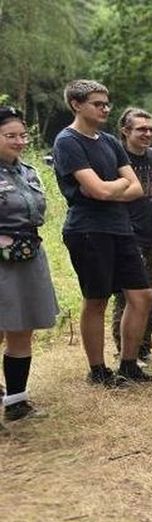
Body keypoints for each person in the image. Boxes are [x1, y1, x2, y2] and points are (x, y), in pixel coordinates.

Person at [53, 79, 152, 385]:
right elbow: (97, 190)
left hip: (120, 228)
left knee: (142, 296)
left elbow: (136, 188)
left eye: (107, 104)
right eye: (98, 104)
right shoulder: (67, 141)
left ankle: (129, 365)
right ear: (76, 105)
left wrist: (111, 188)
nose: (105, 109)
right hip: (87, 230)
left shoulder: (109, 141)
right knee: (97, 299)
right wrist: (114, 186)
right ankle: (97, 371)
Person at [0, 106, 59, 424]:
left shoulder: (29, 172)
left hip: (28, 256)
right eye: (10, 136)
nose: (19, 141)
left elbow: (38, 214)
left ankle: (17, 403)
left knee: (22, 328)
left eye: (23, 135)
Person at [111, 107, 152, 364]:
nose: (148, 133)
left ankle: (143, 348)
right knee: (129, 297)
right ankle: (124, 352)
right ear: (125, 131)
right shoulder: (115, 159)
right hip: (128, 236)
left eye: (151, 129)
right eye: (141, 129)